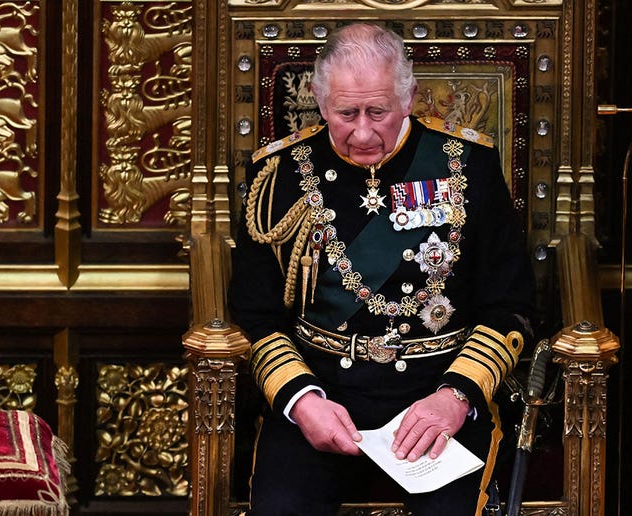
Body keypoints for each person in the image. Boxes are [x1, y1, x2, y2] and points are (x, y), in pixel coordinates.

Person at [229, 23, 535, 516]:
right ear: (318, 99)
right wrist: (301, 400)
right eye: (345, 113)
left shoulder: (468, 165)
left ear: (410, 96)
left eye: (379, 111)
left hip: (435, 395)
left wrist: (455, 396)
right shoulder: (280, 175)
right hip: (321, 391)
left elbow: (511, 307)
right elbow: (256, 312)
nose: (363, 131)